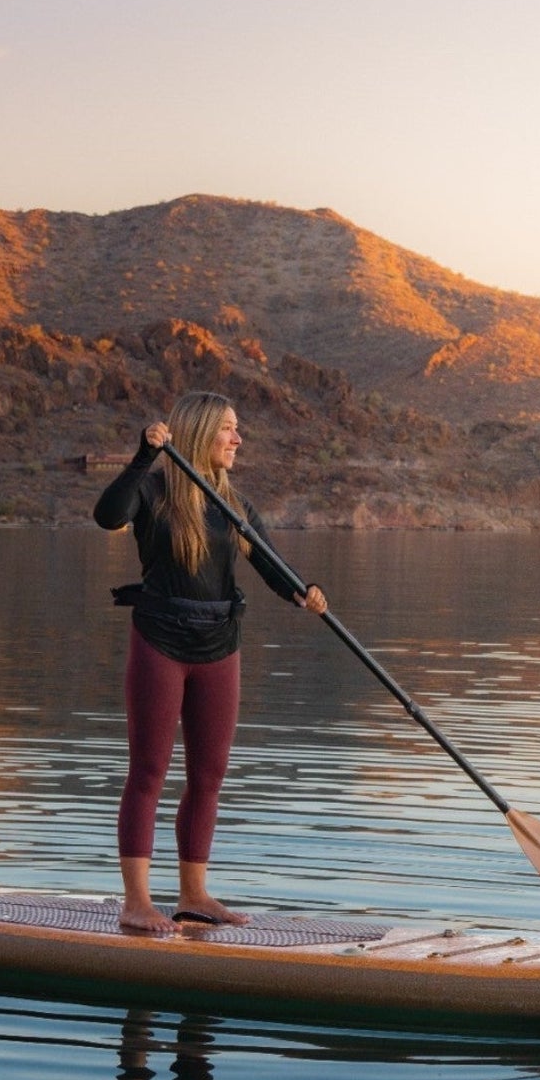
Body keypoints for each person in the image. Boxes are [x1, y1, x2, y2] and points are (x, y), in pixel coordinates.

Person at [93, 391, 328, 933]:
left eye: (238, 428)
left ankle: (194, 895)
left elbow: (273, 567)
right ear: (200, 433)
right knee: (148, 771)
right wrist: (143, 455)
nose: (238, 438)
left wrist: (304, 592)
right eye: (228, 428)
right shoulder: (153, 490)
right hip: (160, 639)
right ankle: (136, 902)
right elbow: (108, 516)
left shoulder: (234, 506)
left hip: (220, 645)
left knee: (209, 775)